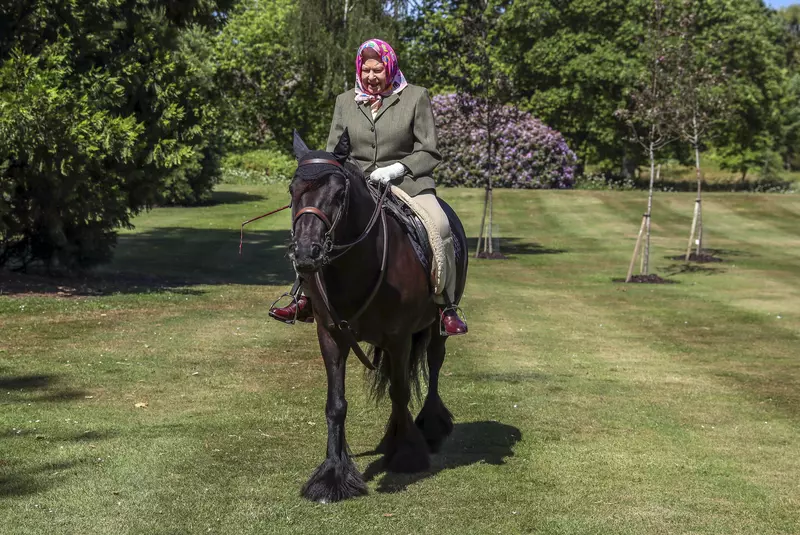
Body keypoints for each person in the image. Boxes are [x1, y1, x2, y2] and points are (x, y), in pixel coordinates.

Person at [270, 38, 467, 336]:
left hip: (407, 183)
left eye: (378, 70)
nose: (372, 77)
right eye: (366, 70)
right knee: (313, 225)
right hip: (357, 184)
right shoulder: (344, 101)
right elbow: (335, 152)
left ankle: (445, 305)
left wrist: (397, 169)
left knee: (440, 225)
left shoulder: (415, 97)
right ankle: (304, 296)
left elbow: (429, 151)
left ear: (390, 67)